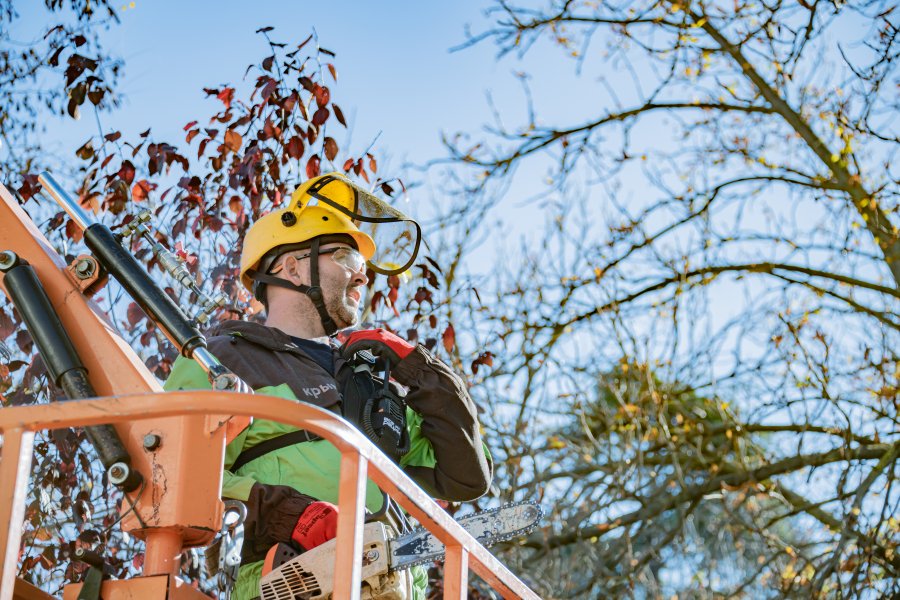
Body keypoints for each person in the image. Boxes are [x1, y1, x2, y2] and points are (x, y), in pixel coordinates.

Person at [164, 173, 493, 599]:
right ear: (292, 266)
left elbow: (467, 475)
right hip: (288, 582)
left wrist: (417, 368)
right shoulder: (224, 358)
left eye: (363, 268)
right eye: (345, 257)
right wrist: (291, 516)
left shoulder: (366, 382)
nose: (362, 277)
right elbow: (171, 473)